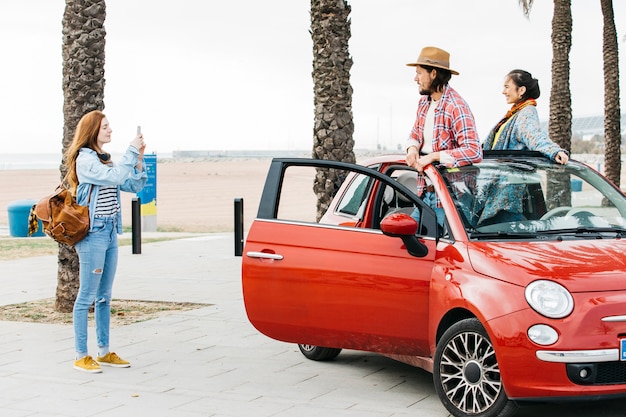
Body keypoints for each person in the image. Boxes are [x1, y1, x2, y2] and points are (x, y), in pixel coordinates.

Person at [65, 110, 147, 373]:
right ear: (92, 132)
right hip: (94, 234)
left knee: (104, 297)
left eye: (110, 126)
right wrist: (131, 152)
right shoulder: (85, 160)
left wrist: (138, 161)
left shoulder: (106, 160)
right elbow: (112, 178)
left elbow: (132, 185)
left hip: (111, 231)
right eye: (105, 127)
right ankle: (81, 355)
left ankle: (103, 351)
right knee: (86, 296)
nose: (110, 130)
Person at [404, 46, 482, 226]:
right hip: (425, 194)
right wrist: (412, 148)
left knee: (448, 252)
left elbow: (474, 151)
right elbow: (415, 133)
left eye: (419, 73)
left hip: (453, 201)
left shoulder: (456, 106)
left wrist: (433, 157)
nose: (415, 78)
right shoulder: (424, 103)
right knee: (404, 245)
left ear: (433, 73)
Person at [483, 69, 569, 164]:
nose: (503, 91)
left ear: (521, 90)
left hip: (514, 176)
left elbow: (533, 135)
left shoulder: (527, 112)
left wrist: (552, 150)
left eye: (507, 87)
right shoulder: (515, 113)